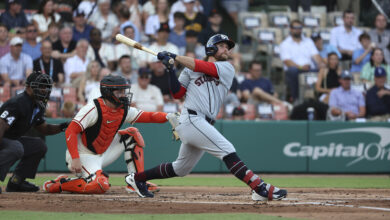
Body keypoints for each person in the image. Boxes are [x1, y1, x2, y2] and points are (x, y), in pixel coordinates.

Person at [125, 34, 287, 201]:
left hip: (203, 123)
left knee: (181, 169)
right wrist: (170, 69)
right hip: (191, 119)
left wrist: (176, 57)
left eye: (228, 47)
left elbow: (203, 67)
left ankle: (136, 179)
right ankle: (258, 187)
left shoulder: (227, 67)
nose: (227, 50)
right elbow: (177, 93)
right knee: (227, 149)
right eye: (223, 46)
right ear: (212, 47)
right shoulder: (190, 69)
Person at [42, 74, 178, 194]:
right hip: (82, 154)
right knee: (100, 185)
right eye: (119, 91)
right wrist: (76, 158)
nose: (123, 95)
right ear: (108, 92)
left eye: (124, 91)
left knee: (132, 134)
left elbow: (148, 116)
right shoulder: (93, 108)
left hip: (103, 152)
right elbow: (71, 130)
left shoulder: (123, 109)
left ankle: (136, 181)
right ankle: (59, 184)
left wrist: (168, 116)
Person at [0, 71, 69, 192]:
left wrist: (63, 126)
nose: (44, 90)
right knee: (16, 148)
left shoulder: (37, 105)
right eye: (41, 86)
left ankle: (17, 182)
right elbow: (1, 124)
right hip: (3, 138)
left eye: (46, 87)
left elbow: (44, 128)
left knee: (38, 146)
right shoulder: (18, 102)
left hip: (11, 139)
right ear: (29, 87)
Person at [280, 19, 323, 102]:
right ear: (291, 29)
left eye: (299, 28)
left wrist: (321, 64)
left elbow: (316, 56)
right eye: (295, 28)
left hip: (310, 68)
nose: (298, 30)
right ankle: (296, 98)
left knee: (323, 69)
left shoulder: (308, 41)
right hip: (296, 69)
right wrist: (301, 67)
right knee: (292, 71)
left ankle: (321, 98)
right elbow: (287, 62)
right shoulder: (285, 44)